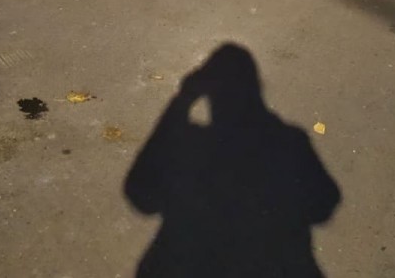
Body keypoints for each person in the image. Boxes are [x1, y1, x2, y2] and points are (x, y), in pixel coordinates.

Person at [125, 44, 341, 277]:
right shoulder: (290, 141)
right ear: (257, 89)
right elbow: (324, 204)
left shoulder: (189, 142)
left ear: (207, 93)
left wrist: (181, 102)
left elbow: (141, 194)